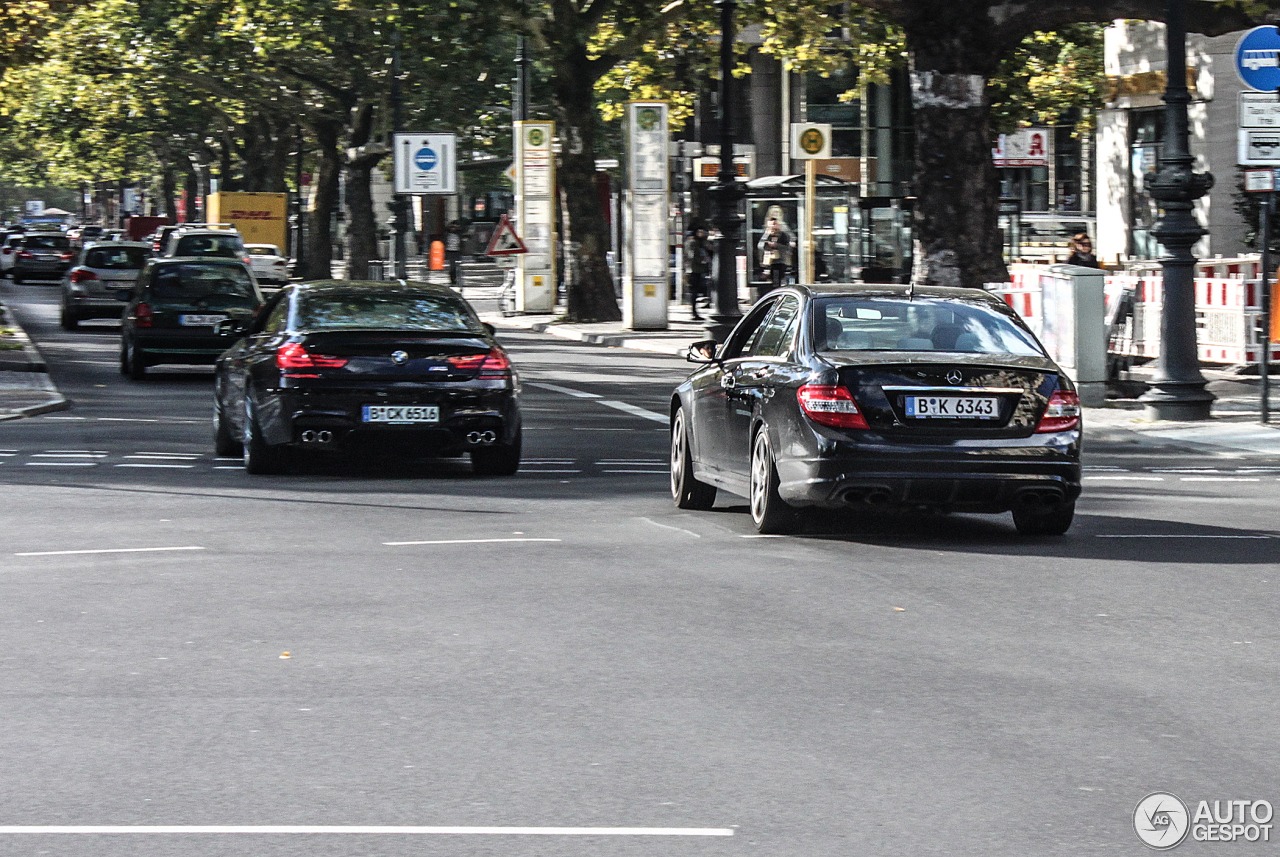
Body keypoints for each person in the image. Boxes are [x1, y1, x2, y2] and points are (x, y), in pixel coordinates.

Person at [684, 226, 712, 320]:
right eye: (701, 232)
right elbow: (693, 256)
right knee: (694, 292)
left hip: (698, 270)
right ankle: (694, 312)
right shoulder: (693, 243)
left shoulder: (699, 243)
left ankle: (695, 312)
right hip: (695, 270)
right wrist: (702, 259)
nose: (703, 234)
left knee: (697, 291)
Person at [757, 218, 792, 291]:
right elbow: (760, 246)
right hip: (769, 262)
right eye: (771, 225)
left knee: (778, 281)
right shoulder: (767, 235)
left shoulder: (783, 235)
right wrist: (767, 234)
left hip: (780, 262)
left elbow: (787, 248)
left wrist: (776, 245)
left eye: (774, 224)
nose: (773, 227)